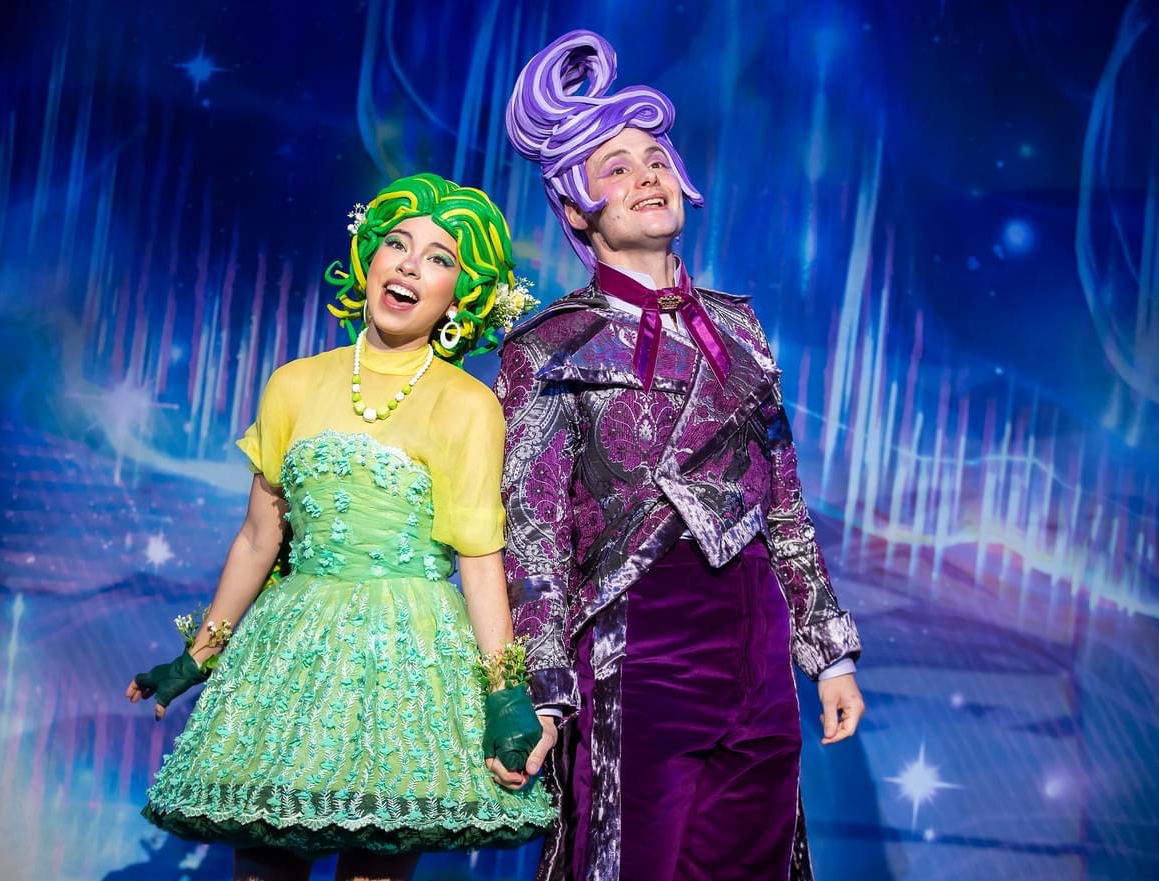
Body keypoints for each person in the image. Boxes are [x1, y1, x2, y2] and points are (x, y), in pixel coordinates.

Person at [497, 31, 866, 881]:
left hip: (756, 640)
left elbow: (783, 501)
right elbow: (533, 529)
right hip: (638, 640)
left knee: (751, 860)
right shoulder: (551, 342)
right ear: (575, 209)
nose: (647, 175)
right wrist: (544, 686)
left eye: (656, 158)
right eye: (616, 166)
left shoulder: (739, 326)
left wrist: (828, 655)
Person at [126, 172, 553, 881]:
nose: (410, 266)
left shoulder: (469, 405)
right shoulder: (294, 382)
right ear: (369, 257)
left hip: (407, 663)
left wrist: (505, 694)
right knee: (262, 866)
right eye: (397, 243)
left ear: (461, 294)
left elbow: (480, 558)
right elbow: (259, 537)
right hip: (289, 653)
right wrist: (197, 655)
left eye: (439, 258)